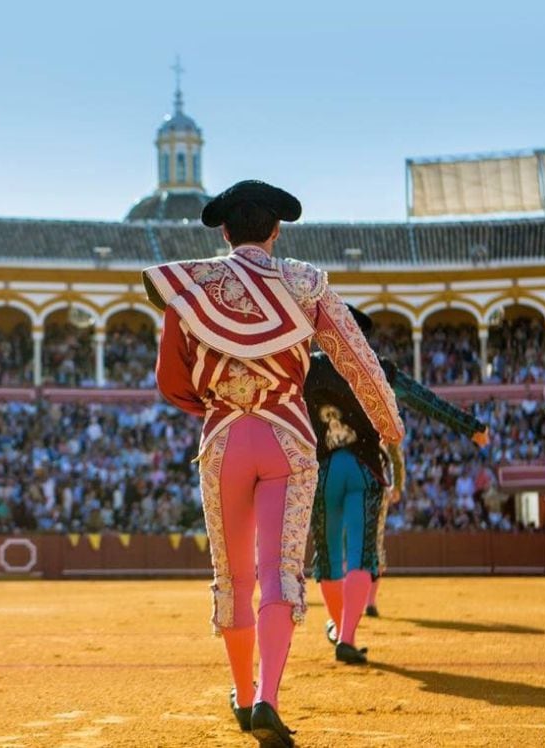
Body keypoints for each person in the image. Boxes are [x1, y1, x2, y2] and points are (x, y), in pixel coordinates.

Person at [145, 180, 404, 746]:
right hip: (287, 438)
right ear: (276, 230)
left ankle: (241, 697)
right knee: (279, 573)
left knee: (233, 578)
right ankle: (267, 698)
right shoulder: (306, 283)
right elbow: (357, 359)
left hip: (222, 441)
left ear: (224, 232)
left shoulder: (190, 287)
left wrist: (216, 403)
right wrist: (390, 425)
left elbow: (170, 378)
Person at [306, 307, 489, 665]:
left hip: (324, 470)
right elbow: (425, 401)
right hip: (364, 467)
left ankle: (335, 622)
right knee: (360, 552)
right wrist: (471, 427)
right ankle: (346, 636)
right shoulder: (377, 367)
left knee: (328, 555)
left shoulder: (306, 366)